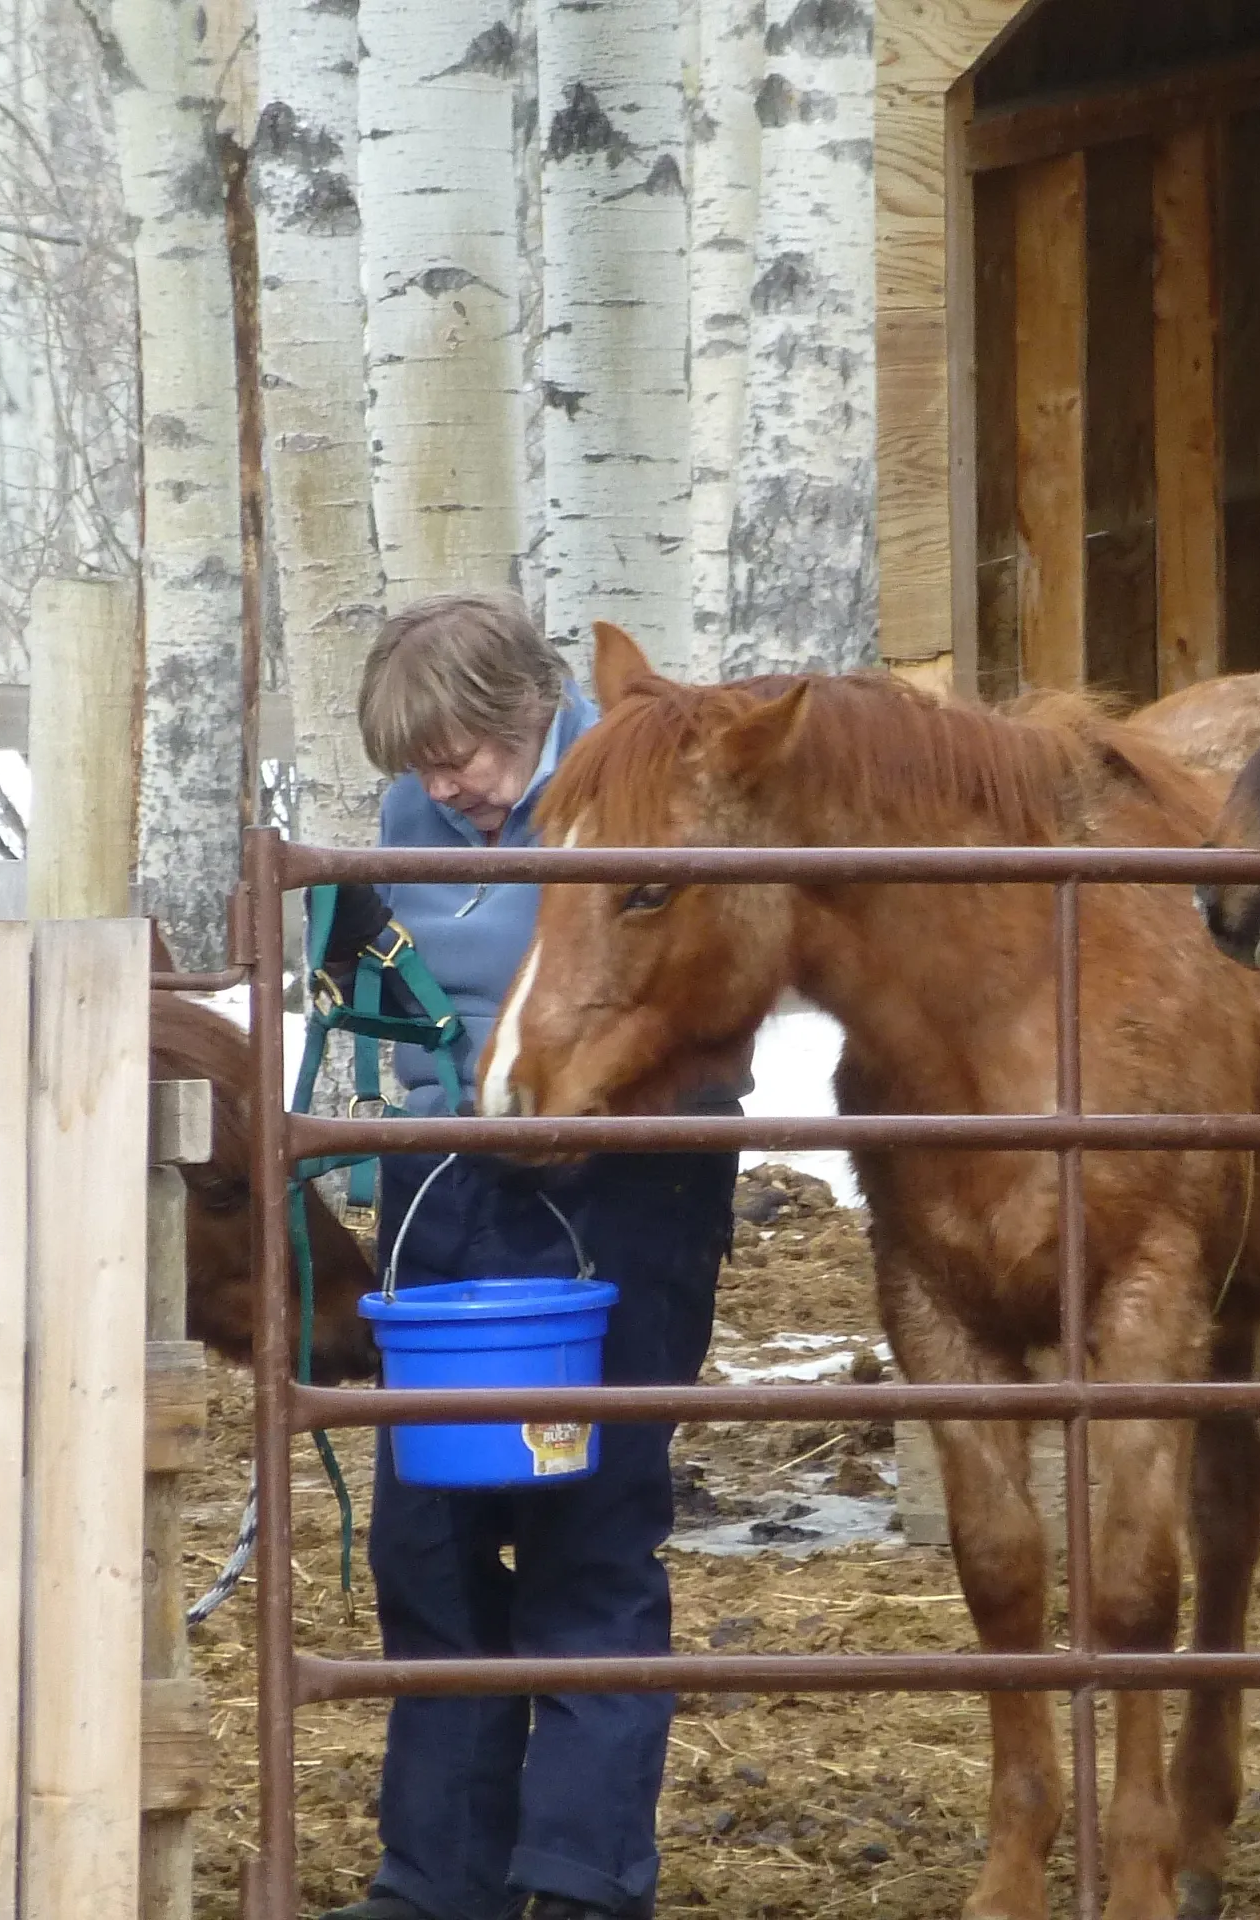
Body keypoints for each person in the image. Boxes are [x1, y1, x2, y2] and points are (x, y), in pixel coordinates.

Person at [323, 591, 741, 1920]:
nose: (458, 790)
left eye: (472, 756)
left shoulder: (621, 790)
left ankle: (579, 1878)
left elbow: (708, 995)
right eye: (429, 769)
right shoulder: (414, 820)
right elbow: (384, 989)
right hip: (444, 1180)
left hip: (618, 1183)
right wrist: (390, 1107)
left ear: (531, 713)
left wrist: (604, 1114)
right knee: (429, 1529)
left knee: (589, 1516)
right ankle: (435, 1878)